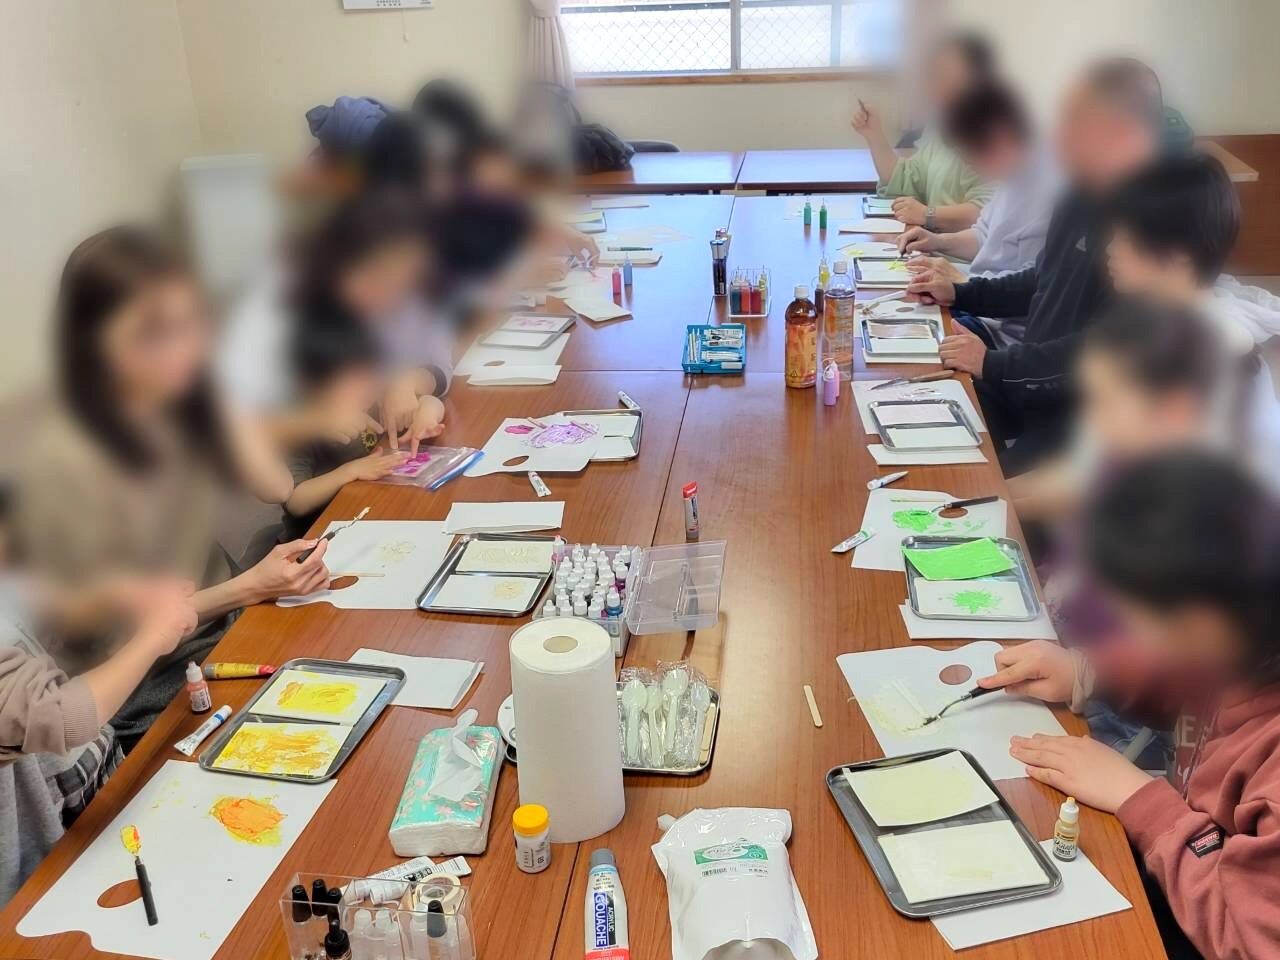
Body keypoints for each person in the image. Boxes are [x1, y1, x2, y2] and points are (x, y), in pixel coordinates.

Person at [16, 227, 330, 747]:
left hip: (230, 624)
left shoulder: (167, 401)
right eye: (154, 331)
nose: (182, 346)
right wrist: (252, 586)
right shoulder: (66, 457)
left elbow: (277, 486)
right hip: (152, 684)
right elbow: (121, 635)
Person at [979, 451, 1280, 960]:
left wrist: (1140, 798)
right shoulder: (1235, 658)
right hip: (1180, 855)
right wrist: (1084, 673)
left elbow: (1248, 940)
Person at [909, 58, 1165, 474]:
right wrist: (960, 292)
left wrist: (992, 363)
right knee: (918, 408)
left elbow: (1103, 349)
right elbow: (1040, 281)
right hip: (1028, 382)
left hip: (1079, 420)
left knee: (975, 489)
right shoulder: (1080, 194)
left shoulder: (1150, 218)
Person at [218, 190, 450, 454]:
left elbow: (438, 357)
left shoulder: (396, 298)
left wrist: (412, 380)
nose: (392, 296)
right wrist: (312, 421)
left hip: (366, 451)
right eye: (380, 277)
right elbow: (226, 425)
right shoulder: (278, 310)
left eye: (404, 280)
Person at [898, 81, 1062, 346]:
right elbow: (985, 235)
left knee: (910, 340)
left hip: (1001, 334)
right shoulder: (1011, 178)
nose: (967, 162)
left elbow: (1026, 289)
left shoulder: (1050, 197)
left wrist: (960, 282)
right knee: (898, 311)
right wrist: (936, 241)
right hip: (975, 306)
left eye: (970, 152)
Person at [852, 31, 995, 231]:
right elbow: (906, 180)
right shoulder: (942, 124)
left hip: (962, 249)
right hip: (933, 244)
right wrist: (874, 133)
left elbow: (987, 212)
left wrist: (927, 214)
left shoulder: (991, 132)